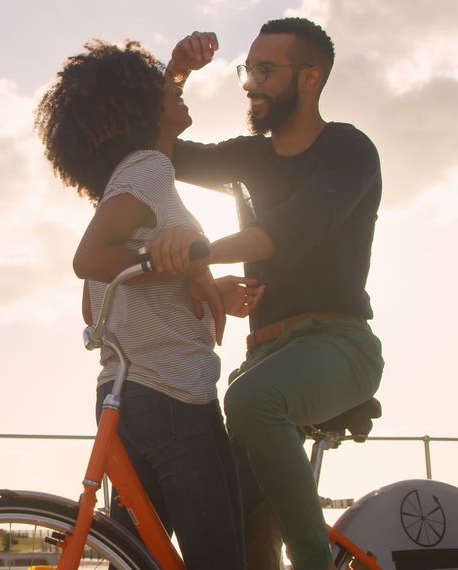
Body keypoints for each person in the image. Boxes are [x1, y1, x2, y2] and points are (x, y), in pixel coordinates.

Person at [148, 17, 386, 570]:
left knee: (253, 401)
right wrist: (176, 73)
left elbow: (283, 233)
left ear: (310, 78)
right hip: (264, 357)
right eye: (247, 69)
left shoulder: (348, 150)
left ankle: (312, 562)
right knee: (228, 511)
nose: (251, 82)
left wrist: (193, 253)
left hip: (339, 347)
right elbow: (162, 157)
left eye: (265, 69)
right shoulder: (252, 157)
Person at [34, 39, 260, 570]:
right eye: (159, 88)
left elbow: (96, 309)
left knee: (133, 559)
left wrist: (193, 282)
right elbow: (89, 258)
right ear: (137, 108)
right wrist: (181, 267)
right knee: (221, 559)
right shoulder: (147, 171)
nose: (174, 92)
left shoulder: (134, 177)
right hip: (174, 399)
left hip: (125, 397)